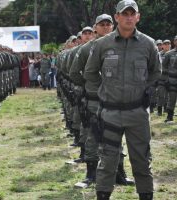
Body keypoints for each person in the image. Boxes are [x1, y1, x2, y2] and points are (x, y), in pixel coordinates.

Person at [84, 1, 161, 199]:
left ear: (138, 17)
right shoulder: (102, 44)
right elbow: (90, 73)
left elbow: (156, 72)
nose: (128, 17)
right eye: (124, 14)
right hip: (110, 113)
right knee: (108, 160)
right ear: (116, 17)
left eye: (131, 14)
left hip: (137, 114)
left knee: (142, 160)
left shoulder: (148, 44)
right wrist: (102, 94)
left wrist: (144, 91)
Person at [163, 36, 177, 122]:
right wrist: (166, 79)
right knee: (171, 99)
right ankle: (169, 117)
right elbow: (163, 67)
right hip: (172, 80)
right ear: (174, 42)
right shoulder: (169, 54)